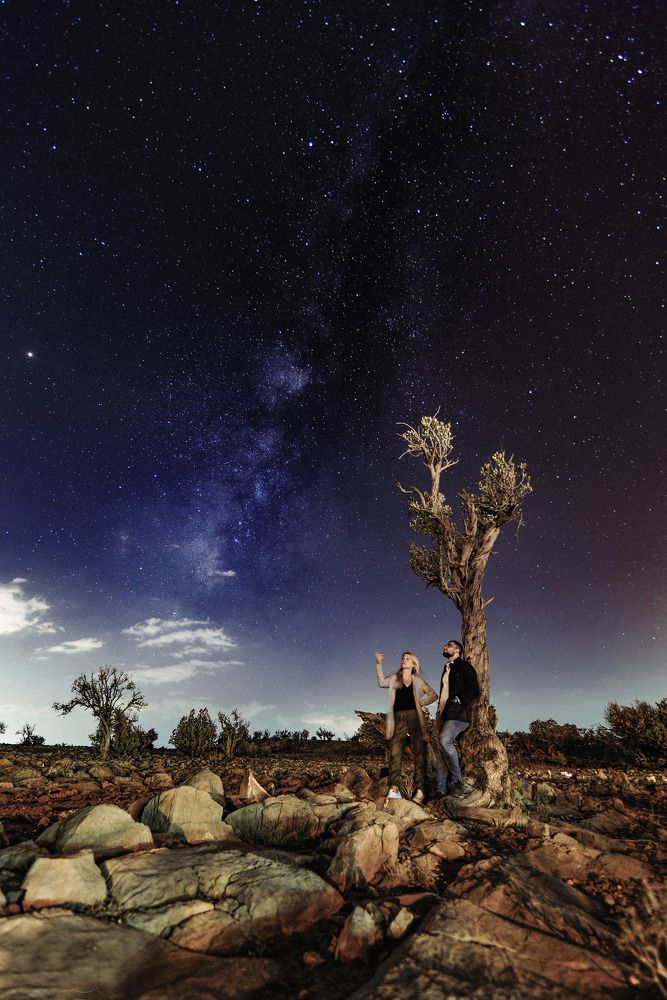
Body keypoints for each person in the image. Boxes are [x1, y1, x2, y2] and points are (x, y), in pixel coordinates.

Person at [375, 650, 438, 803]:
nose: (403, 660)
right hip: (397, 717)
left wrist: (419, 703)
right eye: (403, 658)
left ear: (413, 664)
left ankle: (420, 791)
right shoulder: (395, 678)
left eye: (407, 658)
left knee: (419, 754)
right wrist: (379, 664)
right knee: (395, 752)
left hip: (415, 717)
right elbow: (381, 682)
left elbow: (433, 694)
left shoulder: (418, 681)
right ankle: (394, 788)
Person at [435, 640, 480, 798]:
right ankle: (440, 789)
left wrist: (460, 699)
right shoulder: (447, 667)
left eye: (448, 645)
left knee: (445, 740)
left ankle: (458, 781)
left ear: (457, 650)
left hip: (459, 713)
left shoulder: (464, 666)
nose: (444, 646)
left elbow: (475, 690)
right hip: (443, 713)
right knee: (440, 750)